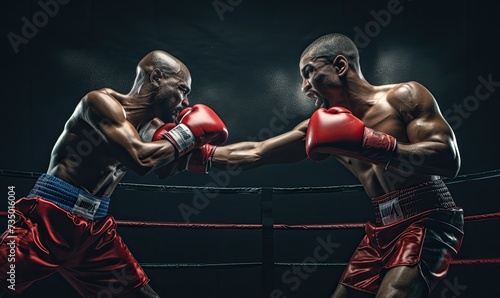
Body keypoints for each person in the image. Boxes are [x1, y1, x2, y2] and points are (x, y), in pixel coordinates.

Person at [166, 33, 464, 297]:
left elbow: (448, 159)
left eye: (309, 73)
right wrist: (193, 152)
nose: (305, 87)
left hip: (427, 218)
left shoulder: (404, 96)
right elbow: (257, 152)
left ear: (340, 66)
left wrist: (370, 142)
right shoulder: (321, 125)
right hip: (380, 228)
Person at [0, 50, 228, 298]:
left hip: (94, 227)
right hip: (49, 217)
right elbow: (140, 159)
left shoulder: (151, 129)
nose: (186, 101)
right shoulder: (100, 102)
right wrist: (189, 133)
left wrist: (268, 151)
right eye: (182, 89)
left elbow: (171, 165)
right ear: (157, 77)